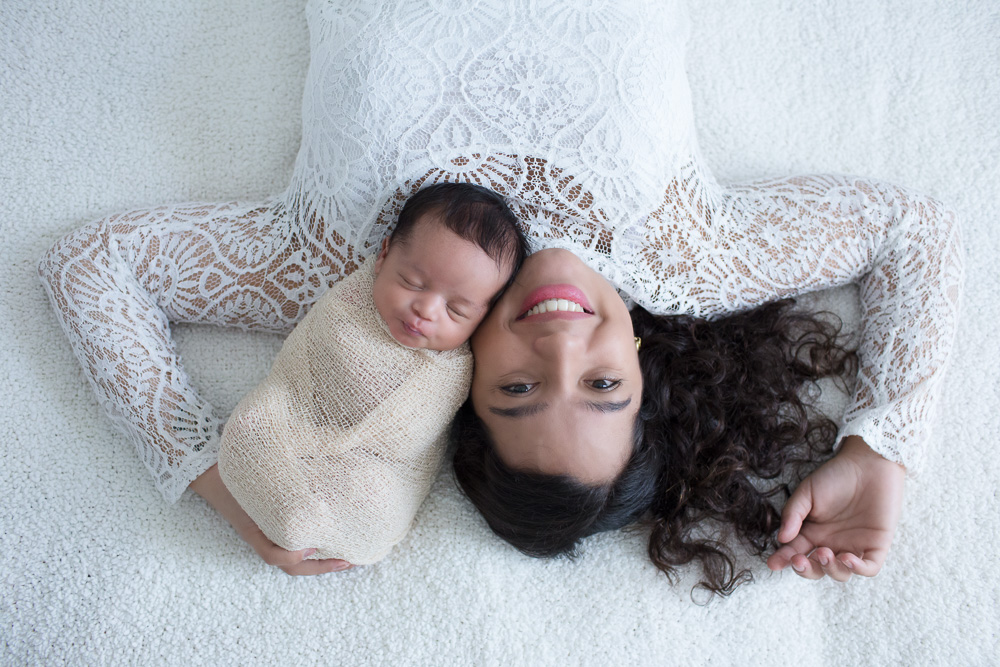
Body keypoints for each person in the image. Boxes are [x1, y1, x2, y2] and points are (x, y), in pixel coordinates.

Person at [37, 0, 961, 582]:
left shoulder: (362, 281)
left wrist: (226, 485)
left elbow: (88, 267)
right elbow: (912, 231)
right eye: (602, 386)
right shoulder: (693, 256)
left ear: (462, 385)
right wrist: (883, 448)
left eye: (517, 389)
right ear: (639, 363)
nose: (561, 348)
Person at [218, 182, 528, 566]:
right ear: (383, 256)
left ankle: (321, 522)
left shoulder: (456, 367)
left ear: (483, 316)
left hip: (371, 466)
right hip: (291, 418)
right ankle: (289, 507)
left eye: (457, 310)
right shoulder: (350, 305)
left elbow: (413, 437)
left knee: (375, 495)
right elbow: (310, 360)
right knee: (251, 426)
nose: (426, 310)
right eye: (412, 282)